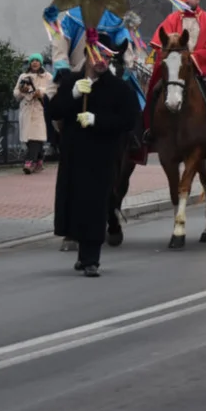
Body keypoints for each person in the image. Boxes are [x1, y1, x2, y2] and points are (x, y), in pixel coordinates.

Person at [47, 57, 141, 277]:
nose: (102, 62)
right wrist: (72, 96)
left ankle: (92, 259)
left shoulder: (119, 87)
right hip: (73, 155)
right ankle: (82, 253)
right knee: (75, 204)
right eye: (97, 57)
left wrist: (96, 120)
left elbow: (129, 119)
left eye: (106, 58)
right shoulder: (72, 81)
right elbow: (54, 112)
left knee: (95, 205)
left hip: (102, 156)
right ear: (88, 57)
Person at [143, 0, 206, 145]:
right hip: (176, 70)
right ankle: (150, 127)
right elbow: (162, 45)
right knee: (155, 90)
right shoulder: (171, 19)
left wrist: (192, 59)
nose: (188, 0)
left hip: (201, 68)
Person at [13, 53, 52, 174]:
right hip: (26, 109)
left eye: (37, 60)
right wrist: (21, 90)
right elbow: (15, 93)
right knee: (29, 138)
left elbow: (53, 90)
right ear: (30, 63)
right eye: (32, 60)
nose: (35, 62)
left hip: (39, 110)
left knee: (35, 136)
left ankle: (29, 162)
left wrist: (40, 92)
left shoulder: (47, 76)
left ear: (41, 63)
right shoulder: (23, 76)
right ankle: (39, 160)